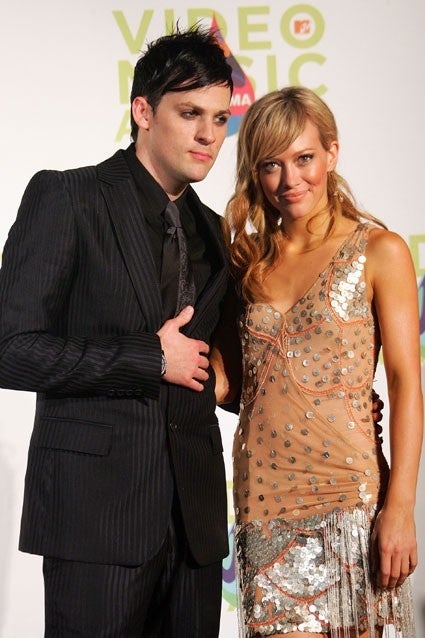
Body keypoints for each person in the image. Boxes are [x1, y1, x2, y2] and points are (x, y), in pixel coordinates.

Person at [0, 26, 233, 637]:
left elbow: (228, 365)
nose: (208, 135)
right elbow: (11, 349)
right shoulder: (67, 196)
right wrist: (148, 359)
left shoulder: (216, 231)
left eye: (219, 118)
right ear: (143, 112)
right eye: (189, 113)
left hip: (195, 529)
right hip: (94, 520)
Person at [212, 86, 422, 638]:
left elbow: (405, 382)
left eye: (304, 158)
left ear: (332, 153)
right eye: (271, 165)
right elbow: (230, 382)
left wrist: (401, 506)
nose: (290, 179)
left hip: (350, 498)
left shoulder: (380, 251)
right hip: (264, 501)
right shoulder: (245, 262)